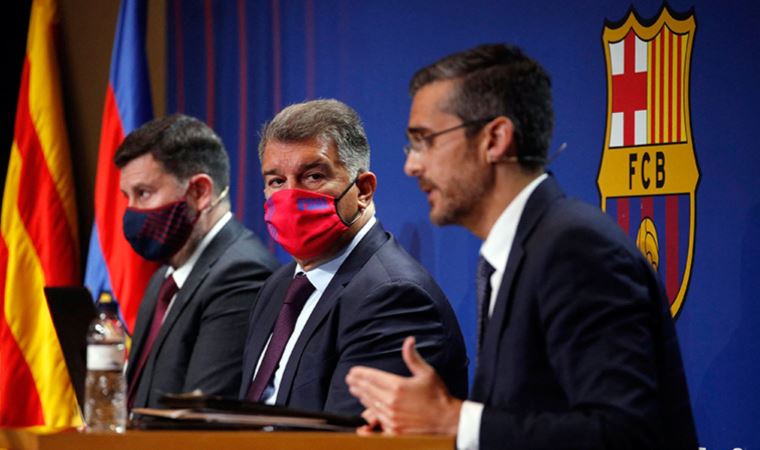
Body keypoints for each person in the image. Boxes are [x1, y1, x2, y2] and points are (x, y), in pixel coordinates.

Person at [346, 44, 698, 449]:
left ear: (495, 139)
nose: (411, 166)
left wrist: (454, 420)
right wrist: (427, 426)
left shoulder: (575, 249)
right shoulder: (519, 252)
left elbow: (627, 435)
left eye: (425, 140)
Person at [238, 99, 468, 415]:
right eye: (277, 181)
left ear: (363, 190)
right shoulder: (279, 286)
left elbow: (347, 434)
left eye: (313, 176)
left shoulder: (394, 297)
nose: (290, 195)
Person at [117, 114, 279, 410]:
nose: (131, 211)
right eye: (127, 197)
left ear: (199, 191)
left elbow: (201, 415)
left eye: (143, 193)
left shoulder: (242, 273)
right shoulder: (164, 278)